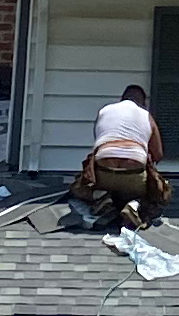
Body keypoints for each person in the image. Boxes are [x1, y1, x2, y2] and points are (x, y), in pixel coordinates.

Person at [69, 85, 172, 228]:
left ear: (121, 99)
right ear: (143, 103)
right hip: (134, 176)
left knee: (80, 185)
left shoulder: (105, 111)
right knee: (157, 192)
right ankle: (135, 204)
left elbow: (99, 143)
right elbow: (158, 155)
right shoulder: (146, 116)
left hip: (103, 173)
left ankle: (101, 197)